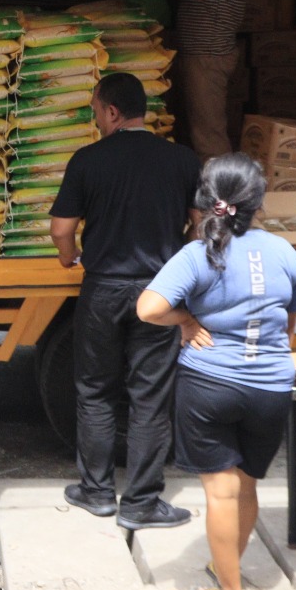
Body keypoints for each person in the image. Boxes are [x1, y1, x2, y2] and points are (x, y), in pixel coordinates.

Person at [138, 153, 296, 590]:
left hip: (209, 383)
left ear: (204, 202)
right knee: (247, 487)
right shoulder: (284, 252)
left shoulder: (196, 255)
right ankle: (226, 565)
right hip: (271, 387)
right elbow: (290, 323)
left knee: (220, 493)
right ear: (258, 203)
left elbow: (147, 308)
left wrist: (187, 320)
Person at [50, 72, 202, 530]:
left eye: (96, 110)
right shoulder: (181, 160)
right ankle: (141, 503)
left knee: (95, 390)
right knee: (149, 396)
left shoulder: (88, 160)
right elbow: (199, 224)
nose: (96, 118)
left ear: (112, 112)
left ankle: (95, 492)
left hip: (103, 289)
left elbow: (61, 228)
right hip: (159, 292)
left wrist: (69, 256)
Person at [170, 0, 249, 160]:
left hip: (209, 55)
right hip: (197, 53)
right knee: (196, 130)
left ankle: (223, 198)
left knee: (209, 135)